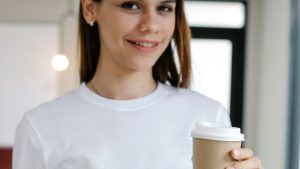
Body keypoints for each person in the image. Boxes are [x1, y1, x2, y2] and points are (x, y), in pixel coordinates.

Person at [13, 0, 264, 168]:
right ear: (90, 8)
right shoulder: (40, 127)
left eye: (164, 8)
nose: (151, 25)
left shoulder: (207, 116)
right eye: (132, 5)